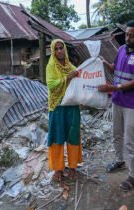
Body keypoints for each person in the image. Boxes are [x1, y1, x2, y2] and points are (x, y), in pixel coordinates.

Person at [97, 20, 134, 191]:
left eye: (132, 35)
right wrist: (106, 65)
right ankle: (120, 161)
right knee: (116, 134)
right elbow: (116, 69)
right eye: (127, 34)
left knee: (130, 139)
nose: (128, 38)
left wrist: (112, 87)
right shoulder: (121, 49)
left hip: (131, 103)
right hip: (117, 100)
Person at [46, 39, 82, 182]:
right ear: (53, 51)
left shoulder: (71, 66)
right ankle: (58, 169)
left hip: (72, 106)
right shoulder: (50, 67)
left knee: (73, 136)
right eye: (57, 49)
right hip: (57, 106)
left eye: (62, 48)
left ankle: (73, 167)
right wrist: (67, 78)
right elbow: (51, 84)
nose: (60, 51)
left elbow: (80, 79)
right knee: (57, 137)